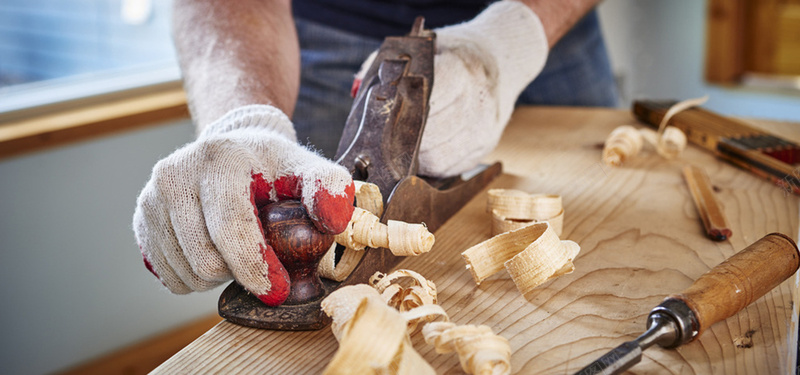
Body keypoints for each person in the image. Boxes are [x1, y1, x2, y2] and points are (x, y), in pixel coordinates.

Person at [133, 0, 617, 307]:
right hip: (322, 30)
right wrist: (244, 122)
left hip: (544, 21)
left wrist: (512, 40)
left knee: (597, 223)